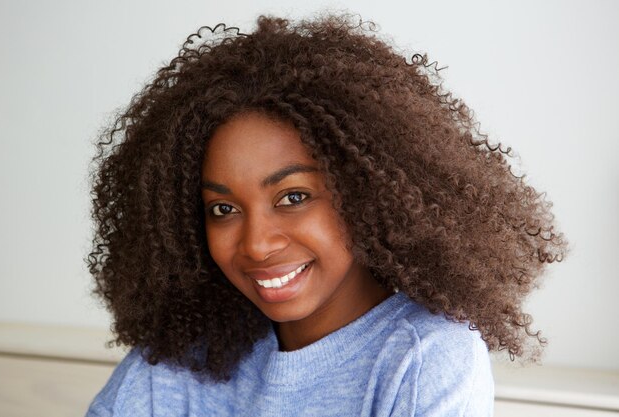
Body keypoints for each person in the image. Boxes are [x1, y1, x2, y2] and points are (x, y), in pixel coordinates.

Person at [85, 12, 568, 417]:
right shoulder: (176, 362)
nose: (256, 243)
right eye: (224, 208)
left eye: (293, 197)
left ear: (367, 191)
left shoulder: (423, 358)